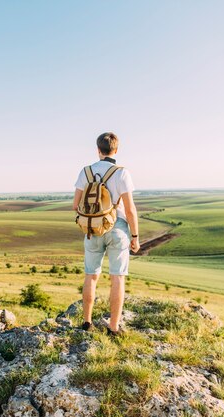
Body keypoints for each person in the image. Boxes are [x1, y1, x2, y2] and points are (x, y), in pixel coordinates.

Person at [73, 132, 140, 335]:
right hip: (117, 228)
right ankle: (113, 326)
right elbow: (130, 210)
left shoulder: (85, 172)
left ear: (98, 150)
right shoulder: (121, 173)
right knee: (117, 277)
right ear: (116, 150)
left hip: (92, 230)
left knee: (91, 275)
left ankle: (86, 322)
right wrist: (135, 237)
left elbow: (76, 205)